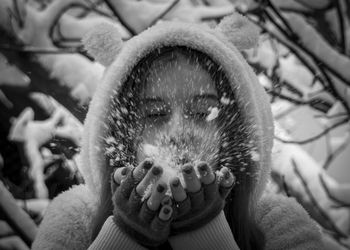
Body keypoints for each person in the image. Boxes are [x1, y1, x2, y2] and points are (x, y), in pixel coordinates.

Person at [31, 13, 325, 250]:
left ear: (230, 130)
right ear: (125, 132)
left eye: (201, 112)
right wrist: (123, 240)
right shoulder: (74, 219)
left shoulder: (278, 224)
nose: (179, 130)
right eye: (156, 114)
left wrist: (208, 238)